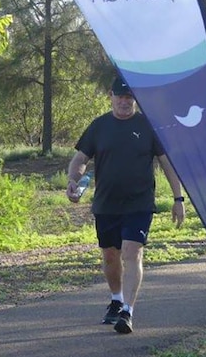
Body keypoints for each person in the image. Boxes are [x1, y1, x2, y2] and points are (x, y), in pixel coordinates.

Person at [66, 75, 185, 335]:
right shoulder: (99, 126)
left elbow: (167, 164)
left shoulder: (148, 126)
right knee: (110, 256)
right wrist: (73, 181)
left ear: (135, 99)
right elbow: (80, 160)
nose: (124, 101)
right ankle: (116, 299)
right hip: (107, 203)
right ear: (111, 96)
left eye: (129, 97)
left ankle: (128, 312)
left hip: (139, 203)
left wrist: (178, 199)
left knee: (132, 252)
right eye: (120, 96)